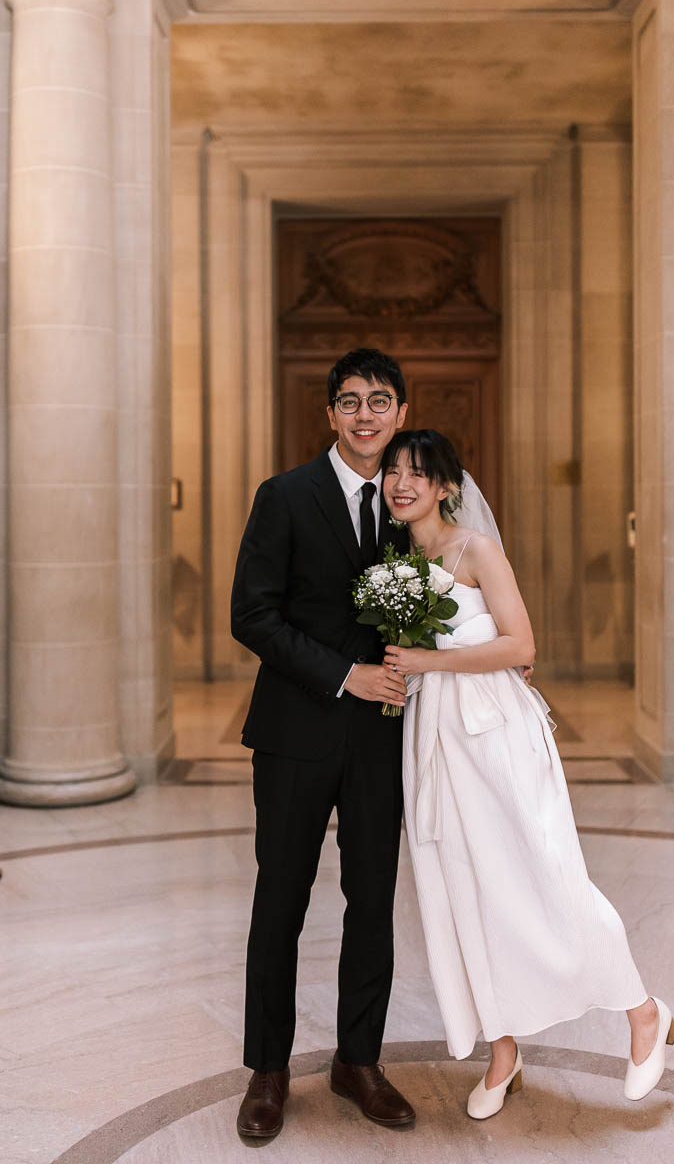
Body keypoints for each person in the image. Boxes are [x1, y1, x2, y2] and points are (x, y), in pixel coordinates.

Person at [382, 429, 674, 1119]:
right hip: (433, 737)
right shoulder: (393, 556)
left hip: (495, 731)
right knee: (465, 889)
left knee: (545, 875)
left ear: (447, 485)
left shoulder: (475, 548)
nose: (403, 483)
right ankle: (503, 1054)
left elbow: (521, 644)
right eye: (394, 471)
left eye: (418, 473)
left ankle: (642, 1010)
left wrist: (432, 662)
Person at [230, 348, 416, 1140]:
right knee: (283, 899)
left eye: (380, 400)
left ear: (401, 412)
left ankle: (358, 1061)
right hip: (296, 731)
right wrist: (346, 674)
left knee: (373, 901)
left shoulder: (416, 499)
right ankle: (268, 1072)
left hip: (382, 740)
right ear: (329, 414)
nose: (366, 414)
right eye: (350, 401)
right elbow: (253, 615)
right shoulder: (284, 496)